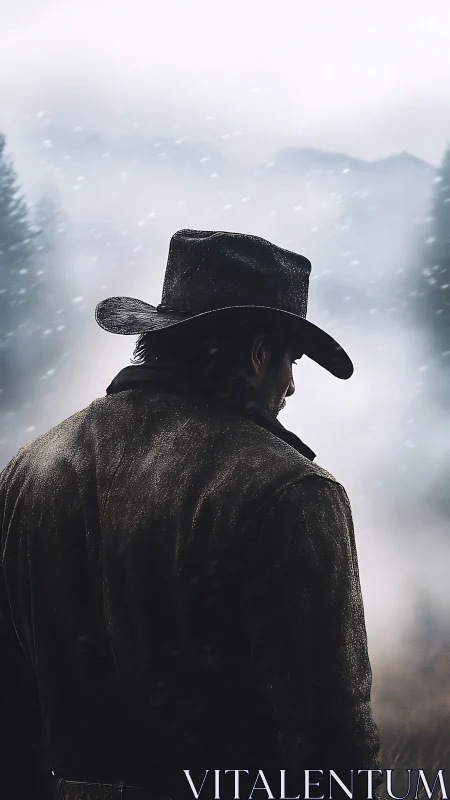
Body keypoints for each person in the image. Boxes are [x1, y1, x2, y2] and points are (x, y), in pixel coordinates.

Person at [0, 229, 381, 800]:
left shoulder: (33, 466)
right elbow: (332, 740)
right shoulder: (289, 491)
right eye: (291, 360)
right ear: (258, 354)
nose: (292, 385)